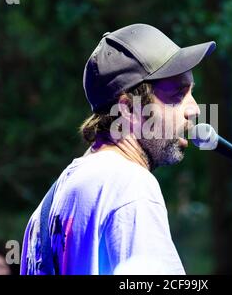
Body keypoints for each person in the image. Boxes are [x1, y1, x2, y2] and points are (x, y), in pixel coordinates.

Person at [20, 23, 216, 275]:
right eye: (178, 94)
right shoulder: (130, 186)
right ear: (128, 108)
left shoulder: (50, 205)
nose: (194, 109)